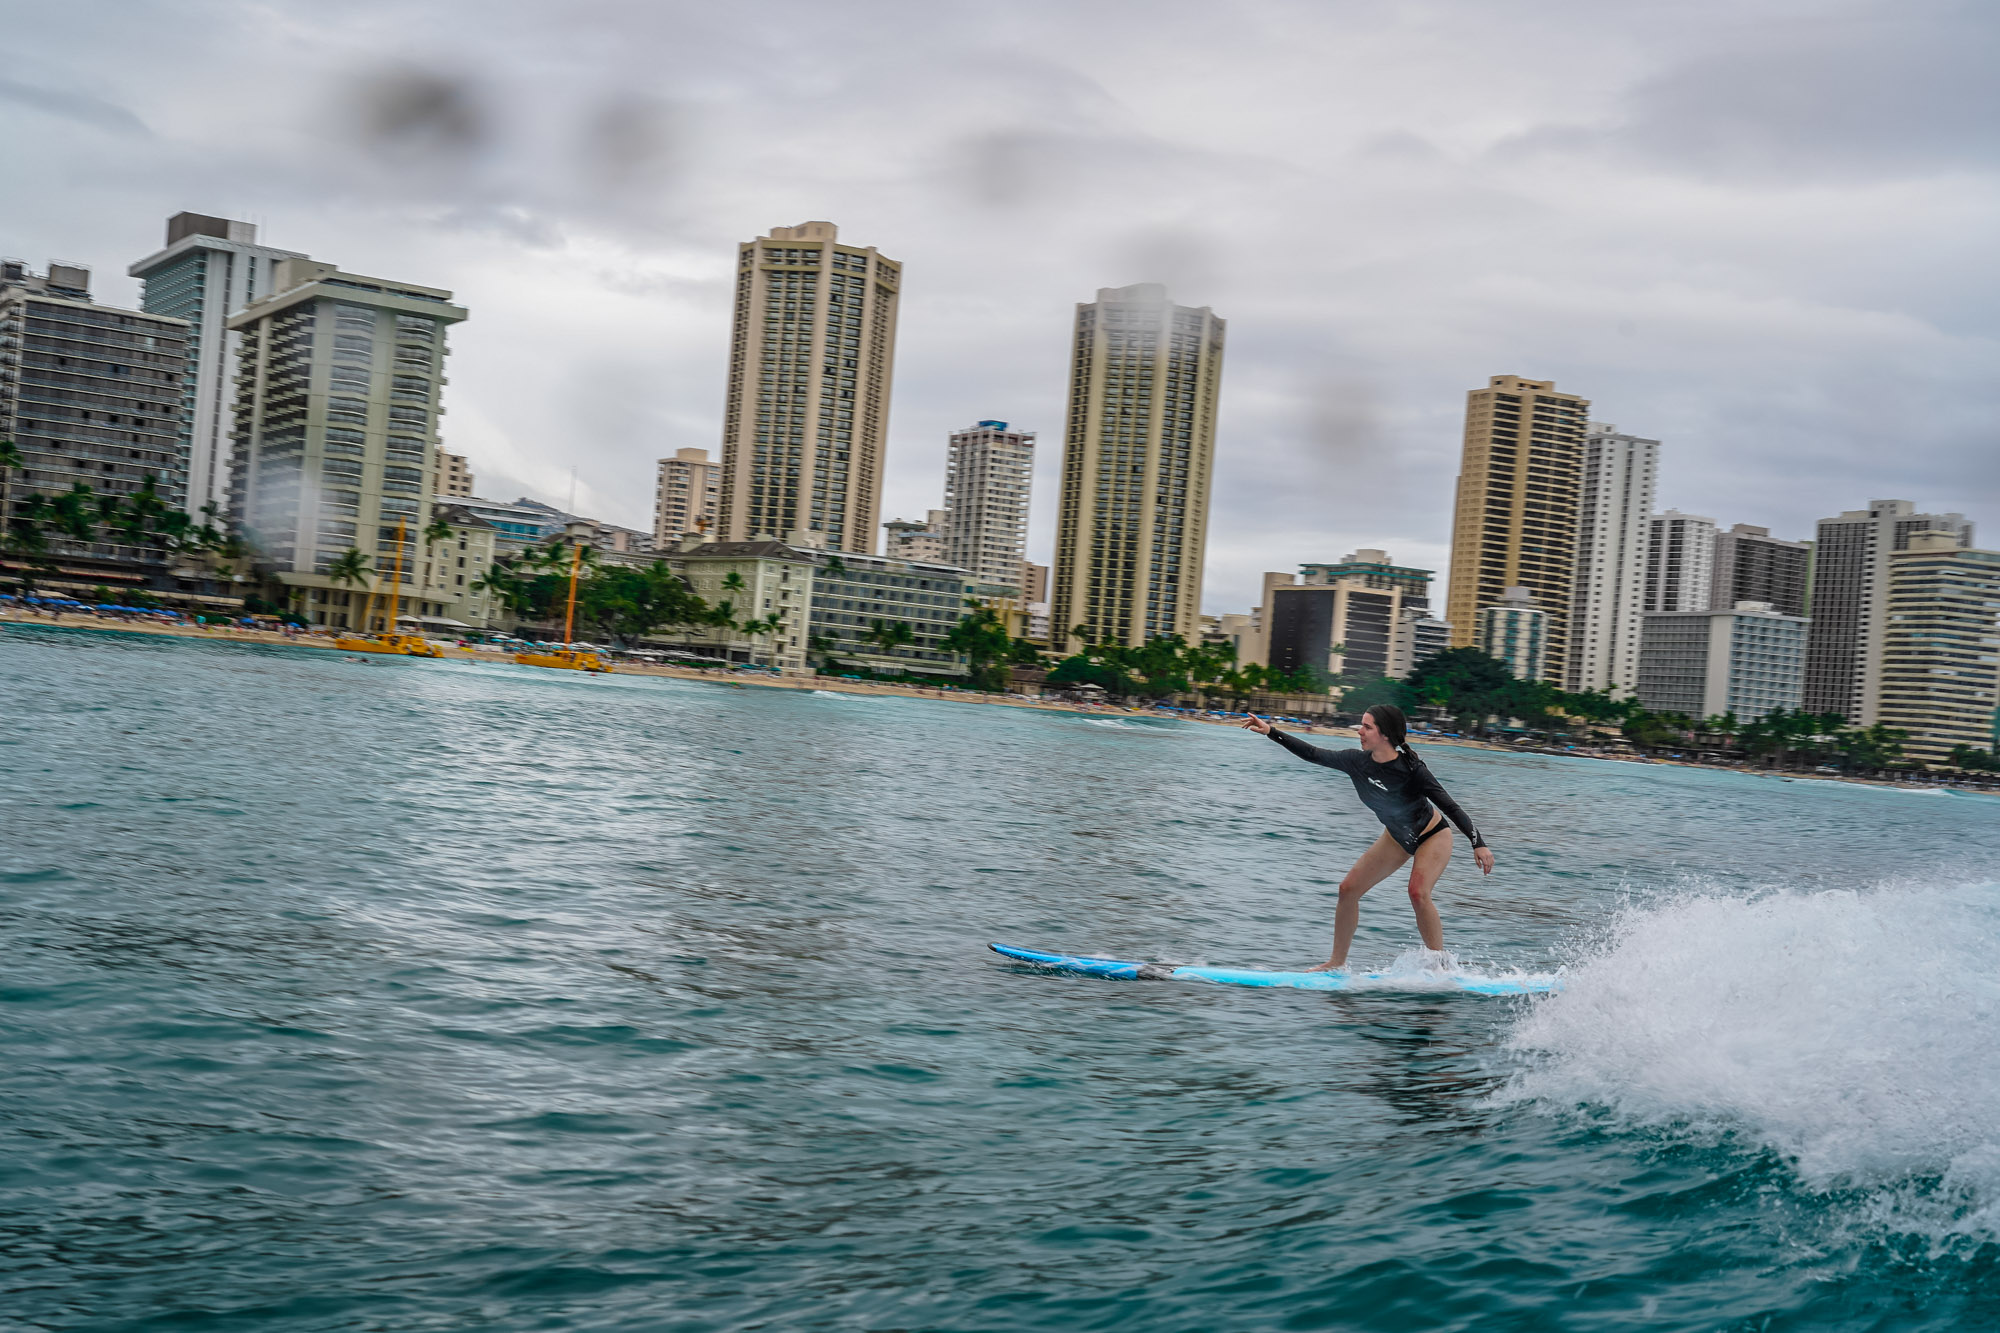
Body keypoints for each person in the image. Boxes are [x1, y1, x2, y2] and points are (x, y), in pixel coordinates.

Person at [1243, 703, 1494, 970]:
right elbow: (1313, 753)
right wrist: (1271, 731)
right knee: (1348, 890)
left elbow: (1450, 805)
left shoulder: (1412, 771)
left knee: (1417, 892)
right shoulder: (1355, 761)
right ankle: (1336, 962)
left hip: (1432, 835)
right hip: (1397, 837)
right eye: (1361, 725)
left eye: (1367, 726)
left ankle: (1441, 966)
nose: (1359, 731)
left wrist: (1478, 842)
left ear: (1384, 734)